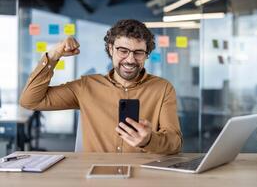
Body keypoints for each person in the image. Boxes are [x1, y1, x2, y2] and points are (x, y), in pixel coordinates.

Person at [19, 19, 183, 154]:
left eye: (138, 52)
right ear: (111, 49)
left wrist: (149, 140)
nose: (131, 60)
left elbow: (175, 143)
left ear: (146, 54)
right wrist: (53, 55)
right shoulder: (86, 87)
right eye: (123, 50)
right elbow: (30, 101)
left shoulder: (162, 88)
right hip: (94, 177)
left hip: (143, 176)